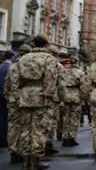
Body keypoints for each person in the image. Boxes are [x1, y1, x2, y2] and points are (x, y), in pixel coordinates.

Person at [17, 34, 57, 169]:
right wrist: (49, 97)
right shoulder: (48, 58)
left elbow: (18, 79)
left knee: (25, 129)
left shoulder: (23, 58)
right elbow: (50, 79)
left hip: (25, 94)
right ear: (46, 44)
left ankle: (25, 161)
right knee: (39, 129)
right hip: (40, 95)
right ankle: (36, 160)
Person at [5, 45, 31, 164]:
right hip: (25, 100)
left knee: (13, 126)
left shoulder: (12, 67)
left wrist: (10, 98)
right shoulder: (28, 67)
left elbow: (7, 87)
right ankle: (22, 151)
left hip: (13, 101)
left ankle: (13, 152)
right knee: (24, 126)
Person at [60, 55, 87, 147]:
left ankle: (65, 137)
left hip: (66, 94)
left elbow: (60, 84)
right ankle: (71, 137)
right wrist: (84, 98)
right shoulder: (80, 72)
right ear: (77, 62)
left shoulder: (64, 71)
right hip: (76, 95)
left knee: (66, 117)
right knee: (74, 118)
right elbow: (83, 86)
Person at [0, 50, 15, 148]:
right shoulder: (12, 67)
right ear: (12, 57)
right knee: (8, 119)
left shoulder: (0, 66)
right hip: (7, 95)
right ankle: (4, 139)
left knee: (1, 117)